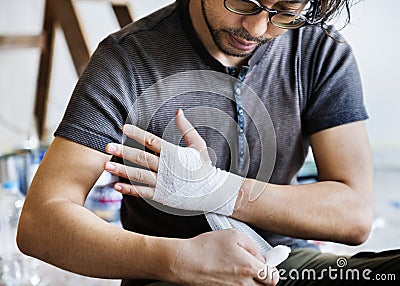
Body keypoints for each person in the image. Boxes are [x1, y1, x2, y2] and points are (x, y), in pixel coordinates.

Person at [17, 0, 400, 285]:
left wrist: (218, 191)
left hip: (285, 261)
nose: (257, 26)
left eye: (284, 11)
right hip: (169, 272)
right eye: (244, 1)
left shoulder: (319, 51)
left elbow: (354, 213)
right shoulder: (126, 61)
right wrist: (175, 259)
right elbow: (41, 221)